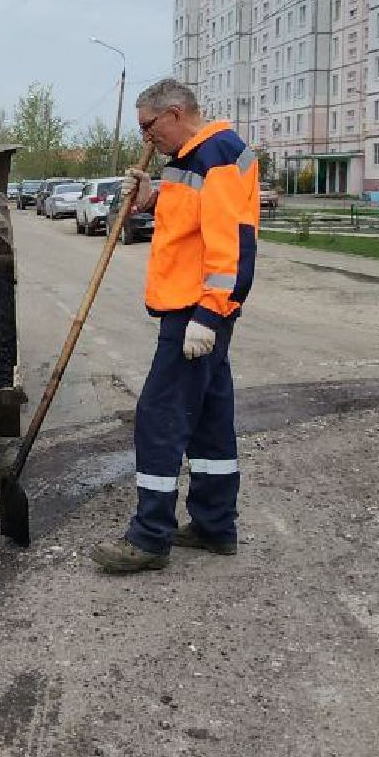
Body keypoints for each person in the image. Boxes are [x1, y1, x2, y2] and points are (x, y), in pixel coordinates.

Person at [92, 79, 259, 573]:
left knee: (159, 417)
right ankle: (213, 525)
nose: (146, 138)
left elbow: (231, 244)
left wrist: (210, 313)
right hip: (189, 309)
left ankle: (148, 538)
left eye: (149, 126)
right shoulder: (191, 159)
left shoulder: (219, 155)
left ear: (176, 112)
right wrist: (151, 196)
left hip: (196, 313)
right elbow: (192, 219)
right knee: (208, 421)